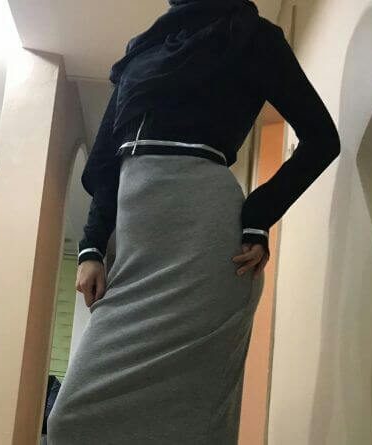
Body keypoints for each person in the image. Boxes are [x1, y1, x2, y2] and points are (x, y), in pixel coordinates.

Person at [47, 0, 340, 444]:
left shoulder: (251, 36)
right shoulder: (142, 51)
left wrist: (258, 217)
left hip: (208, 248)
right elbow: (106, 164)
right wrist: (91, 247)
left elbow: (322, 139)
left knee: (193, 420)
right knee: (71, 420)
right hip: (136, 254)